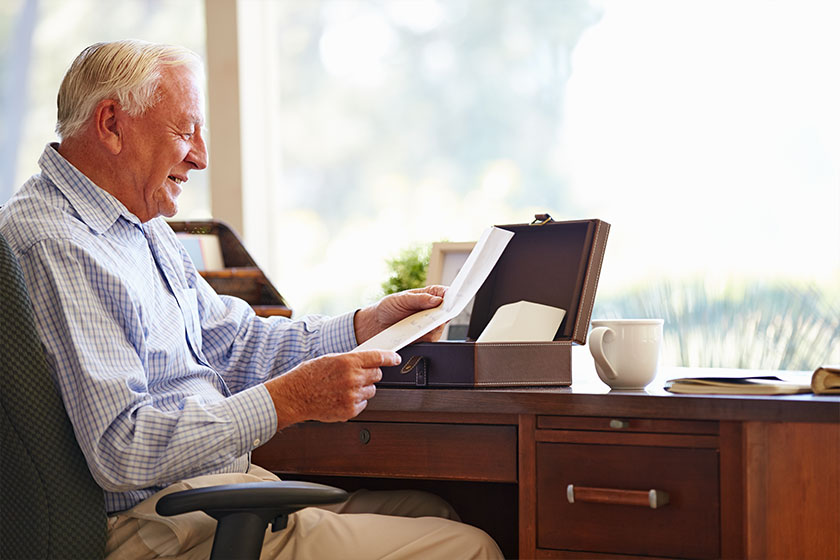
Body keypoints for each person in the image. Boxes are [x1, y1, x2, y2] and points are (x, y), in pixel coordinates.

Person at [0, 40, 503, 559]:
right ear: (111, 124)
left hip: (210, 497)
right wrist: (289, 400)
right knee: (470, 549)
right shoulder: (61, 245)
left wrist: (364, 325)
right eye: (184, 130)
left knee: (436, 514)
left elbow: (234, 341)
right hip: (159, 524)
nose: (200, 155)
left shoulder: (133, 226)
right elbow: (121, 448)